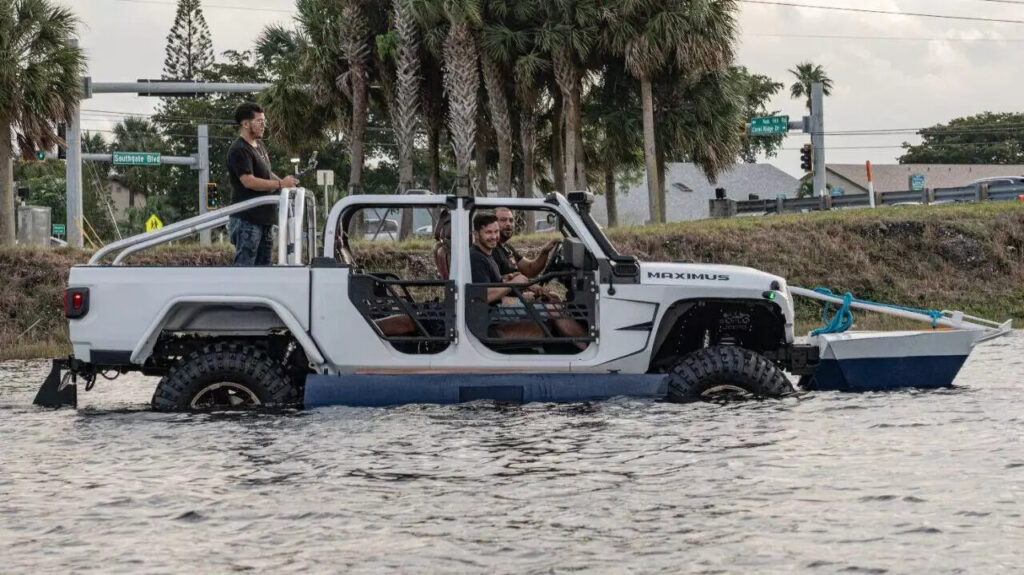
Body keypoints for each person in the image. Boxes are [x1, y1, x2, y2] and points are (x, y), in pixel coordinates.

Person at [472, 213, 588, 346]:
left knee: (552, 301)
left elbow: (490, 282)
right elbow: (482, 295)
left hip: (497, 309)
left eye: (496, 232)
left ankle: (573, 345)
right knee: (554, 308)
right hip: (491, 314)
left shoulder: (487, 254)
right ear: (476, 234)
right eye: (488, 233)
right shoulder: (476, 258)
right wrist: (512, 284)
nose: (494, 237)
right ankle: (587, 348)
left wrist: (505, 278)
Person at [226, 102, 297, 266]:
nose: (263, 125)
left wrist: (284, 183)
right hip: (247, 220)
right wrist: (280, 185)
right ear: (245, 124)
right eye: (259, 121)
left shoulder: (259, 146)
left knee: (264, 268)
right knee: (246, 268)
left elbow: (267, 172)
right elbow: (248, 181)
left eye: (264, 121)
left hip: (264, 219)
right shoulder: (239, 150)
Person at [492, 206, 559, 279]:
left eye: (511, 220)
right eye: (503, 220)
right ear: (493, 223)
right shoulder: (491, 250)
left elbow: (530, 269)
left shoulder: (506, 247)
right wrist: (528, 286)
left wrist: (545, 251)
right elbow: (498, 282)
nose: (508, 224)